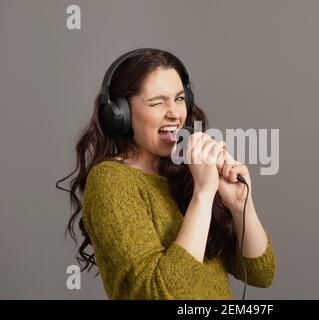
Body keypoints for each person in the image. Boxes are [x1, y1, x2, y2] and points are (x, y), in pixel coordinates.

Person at [56, 48, 275, 299]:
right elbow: (158, 294)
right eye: (157, 102)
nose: (174, 113)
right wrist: (203, 196)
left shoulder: (188, 173)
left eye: (180, 98)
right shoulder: (110, 182)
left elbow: (261, 273)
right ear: (120, 114)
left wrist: (239, 206)